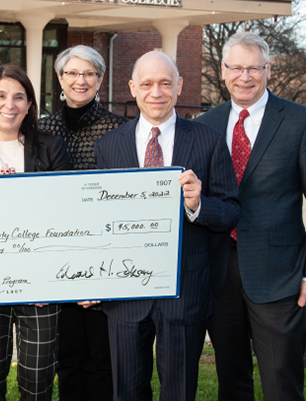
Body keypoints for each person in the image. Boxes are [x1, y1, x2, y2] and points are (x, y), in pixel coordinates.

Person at [195, 31, 306, 401]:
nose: (245, 76)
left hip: (280, 274)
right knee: (231, 375)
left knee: (282, 378)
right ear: (223, 70)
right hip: (219, 271)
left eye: (254, 68)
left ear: (268, 70)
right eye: (237, 68)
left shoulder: (301, 121)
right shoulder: (205, 124)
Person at [92, 50, 240, 401]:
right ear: (132, 88)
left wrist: (198, 204)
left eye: (165, 83)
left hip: (184, 290)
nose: (156, 92)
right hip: (124, 291)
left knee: (179, 392)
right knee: (127, 391)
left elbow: (231, 211)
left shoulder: (207, 140)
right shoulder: (109, 146)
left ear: (180, 86)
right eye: (146, 84)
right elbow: (97, 220)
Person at [0, 64, 72, 401]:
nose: (10, 105)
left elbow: (65, 212)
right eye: (1, 96)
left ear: (29, 105)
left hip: (41, 281)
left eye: (19, 97)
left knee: (38, 384)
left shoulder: (52, 148)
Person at [38, 45, 127, 400]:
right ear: (60, 79)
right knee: (68, 357)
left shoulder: (120, 130)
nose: (80, 80)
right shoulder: (40, 129)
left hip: (103, 257)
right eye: (72, 73)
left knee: (103, 359)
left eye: (88, 73)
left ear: (100, 80)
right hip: (56, 256)